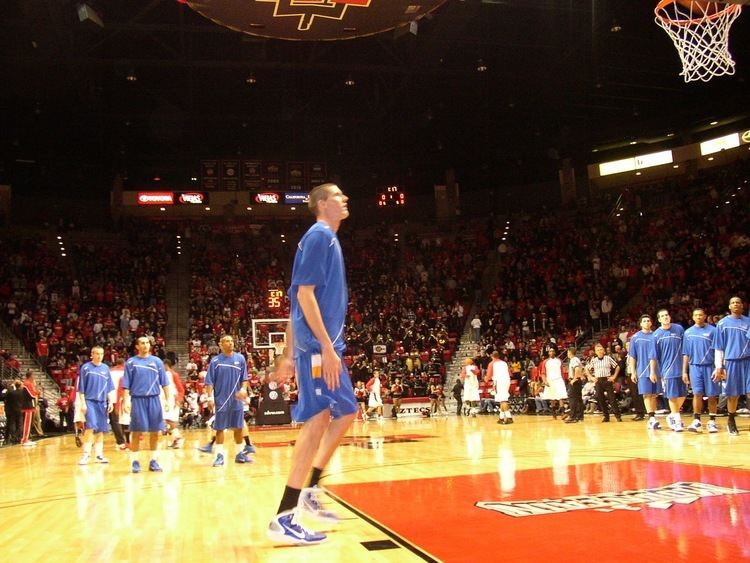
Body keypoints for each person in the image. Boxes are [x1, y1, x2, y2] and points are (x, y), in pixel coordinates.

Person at [267, 183, 358, 545]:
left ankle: (309, 490)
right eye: (338, 195)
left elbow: (293, 303)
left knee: (347, 411)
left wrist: (288, 354)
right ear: (323, 204)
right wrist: (321, 345)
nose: (345, 199)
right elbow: (303, 296)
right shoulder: (319, 236)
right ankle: (284, 517)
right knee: (319, 417)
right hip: (321, 349)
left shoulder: (328, 239)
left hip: (324, 347)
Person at [122, 336, 171, 473]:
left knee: (155, 432)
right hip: (137, 400)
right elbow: (126, 384)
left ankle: (153, 461)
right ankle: (135, 461)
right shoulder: (131, 363)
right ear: (137, 346)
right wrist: (125, 400)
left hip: (154, 399)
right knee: (137, 432)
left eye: (147, 343)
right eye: (142, 343)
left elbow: (165, 383)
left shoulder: (157, 362)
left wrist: (168, 400)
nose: (145, 345)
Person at [203, 335, 252, 466]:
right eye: (227, 341)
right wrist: (209, 397)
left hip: (236, 400)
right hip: (221, 400)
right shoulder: (215, 361)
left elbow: (245, 379)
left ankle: (239, 454)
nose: (230, 343)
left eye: (231, 341)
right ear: (220, 344)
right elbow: (209, 382)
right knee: (220, 429)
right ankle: (219, 456)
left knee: (238, 428)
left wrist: (243, 389)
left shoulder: (240, 358)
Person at [714, 296, 750, 435]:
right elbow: (719, 347)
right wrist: (719, 367)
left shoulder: (749, 322)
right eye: (733, 302)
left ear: (742, 305)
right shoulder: (722, 323)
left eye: (738, 302)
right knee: (733, 395)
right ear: (729, 307)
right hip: (731, 362)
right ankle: (731, 420)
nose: (736, 304)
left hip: (748, 360)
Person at [682, 308, 719, 433]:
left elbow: (719, 350)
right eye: (696, 315)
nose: (698, 317)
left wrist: (720, 367)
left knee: (712, 395)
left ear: (705, 316)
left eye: (701, 315)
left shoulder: (713, 331)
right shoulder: (688, 332)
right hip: (694, 366)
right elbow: (685, 353)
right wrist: (684, 371)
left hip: (710, 366)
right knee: (697, 394)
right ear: (693, 317)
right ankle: (697, 420)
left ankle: (712, 421)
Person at [77, 346, 115, 465]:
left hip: (102, 402)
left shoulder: (105, 368)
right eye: (97, 354)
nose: (99, 356)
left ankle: (99, 455)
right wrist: (83, 403)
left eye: (102, 354)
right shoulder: (86, 368)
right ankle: (86, 455)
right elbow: (81, 388)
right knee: (90, 428)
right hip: (90, 401)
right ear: (92, 354)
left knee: (100, 430)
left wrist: (111, 402)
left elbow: (109, 388)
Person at [653, 309, 686, 432]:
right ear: (659, 319)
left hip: (682, 368)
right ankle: (676, 420)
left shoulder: (679, 329)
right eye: (662, 316)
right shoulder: (656, 335)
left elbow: (685, 348)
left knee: (683, 394)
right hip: (667, 370)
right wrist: (654, 372)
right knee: (672, 396)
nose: (665, 317)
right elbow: (654, 356)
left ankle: (672, 415)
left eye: (667, 314)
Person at [628, 314, 660, 430]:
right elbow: (632, 356)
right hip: (642, 370)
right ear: (640, 324)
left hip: (656, 369)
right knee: (647, 394)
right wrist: (633, 372)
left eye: (648, 320)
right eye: (644, 321)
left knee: (654, 395)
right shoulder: (635, 337)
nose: (647, 322)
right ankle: (651, 418)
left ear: (651, 323)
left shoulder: (656, 335)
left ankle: (653, 417)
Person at [584, 343, 622, 423]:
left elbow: (617, 367)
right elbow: (586, 369)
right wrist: (591, 377)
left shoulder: (608, 358)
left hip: (607, 380)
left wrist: (614, 376)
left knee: (612, 399)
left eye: (601, 349)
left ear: (604, 351)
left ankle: (618, 416)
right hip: (598, 381)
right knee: (601, 399)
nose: (600, 351)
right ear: (596, 352)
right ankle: (606, 416)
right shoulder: (594, 360)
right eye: (598, 350)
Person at [486, 351, 513, 424]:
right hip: (507, 381)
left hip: (499, 382)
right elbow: (510, 373)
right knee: (502, 400)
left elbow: (488, 376)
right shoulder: (504, 363)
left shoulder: (492, 364)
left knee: (503, 400)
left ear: (492, 356)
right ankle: (501, 418)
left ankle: (509, 417)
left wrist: (486, 379)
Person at [541, 348, 566, 419]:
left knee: (561, 396)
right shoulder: (545, 362)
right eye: (550, 351)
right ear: (548, 353)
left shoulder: (559, 361)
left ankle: (562, 413)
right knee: (552, 397)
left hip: (559, 379)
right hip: (550, 380)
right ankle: (554, 413)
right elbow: (543, 373)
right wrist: (545, 381)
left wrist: (563, 380)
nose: (551, 352)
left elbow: (562, 372)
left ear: (555, 352)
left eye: (553, 351)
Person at [565, 347, 585, 423]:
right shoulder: (576, 359)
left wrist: (574, 379)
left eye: (567, 352)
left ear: (570, 352)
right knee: (578, 399)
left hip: (575, 381)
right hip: (578, 381)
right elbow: (581, 369)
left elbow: (577, 369)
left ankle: (573, 417)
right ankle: (580, 416)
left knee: (572, 399)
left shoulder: (574, 359)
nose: (567, 353)